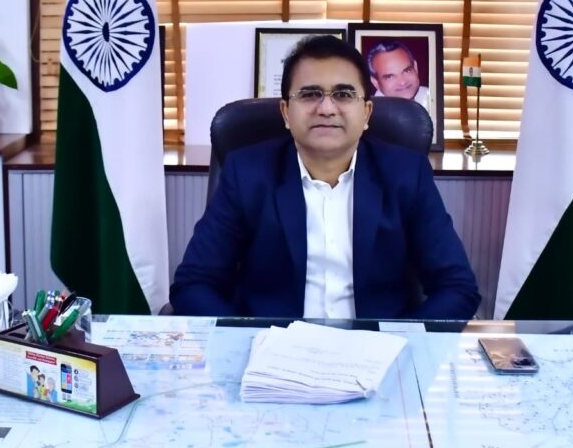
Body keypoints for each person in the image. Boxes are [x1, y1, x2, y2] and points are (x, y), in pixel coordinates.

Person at [170, 35, 480, 320]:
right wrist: (247, 345)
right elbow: (194, 284)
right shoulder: (247, 173)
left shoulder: (405, 173)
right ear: (286, 113)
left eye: (343, 94)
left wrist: (399, 346)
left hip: (377, 349)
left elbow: (457, 288)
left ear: (367, 113)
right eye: (310, 94)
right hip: (271, 348)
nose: (327, 108)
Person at [365, 40, 430, 110]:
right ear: (375, 83)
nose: (403, 82)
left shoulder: (431, 96)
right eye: (390, 77)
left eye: (407, 71)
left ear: (415, 68)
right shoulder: (370, 115)